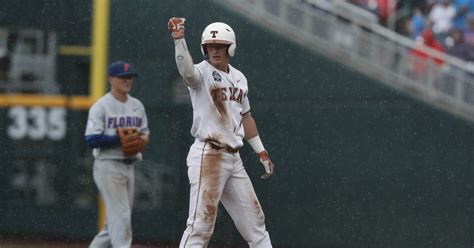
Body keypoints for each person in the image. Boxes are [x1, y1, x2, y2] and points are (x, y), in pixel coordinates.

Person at [168, 17, 275, 247]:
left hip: (233, 157)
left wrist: (261, 152)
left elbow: (246, 117)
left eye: (220, 46)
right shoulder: (201, 72)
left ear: (231, 48)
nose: (214, 50)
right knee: (200, 227)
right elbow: (187, 73)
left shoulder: (240, 78)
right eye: (210, 46)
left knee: (256, 225)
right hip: (209, 154)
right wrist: (179, 41)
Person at [85, 61, 150, 248]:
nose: (127, 80)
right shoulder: (101, 106)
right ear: (111, 79)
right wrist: (118, 139)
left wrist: (141, 141)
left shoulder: (137, 105)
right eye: (122, 77)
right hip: (108, 165)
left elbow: (144, 134)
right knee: (121, 217)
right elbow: (91, 139)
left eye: (130, 77)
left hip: (129, 165)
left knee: (114, 221)